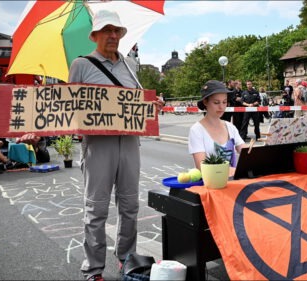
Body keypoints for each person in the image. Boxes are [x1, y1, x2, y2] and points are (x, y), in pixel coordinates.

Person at [67, 10, 164, 281]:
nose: (112, 35)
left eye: (116, 31)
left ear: (122, 35)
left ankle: (126, 259)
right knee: (96, 209)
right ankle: (94, 268)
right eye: (106, 30)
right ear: (95, 35)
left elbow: (135, 105)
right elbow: (67, 107)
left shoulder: (129, 66)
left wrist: (151, 106)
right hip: (98, 146)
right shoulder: (81, 65)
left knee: (130, 206)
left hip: (130, 143)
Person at [188, 80, 245, 177]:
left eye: (224, 102)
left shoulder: (230, 127)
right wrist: (229, 170)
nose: (221, 107)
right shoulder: (196, 130)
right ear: (205, 102)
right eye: (216, 102)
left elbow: (246, 152)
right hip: (211, 187)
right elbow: (201, 166)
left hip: (233, 186)